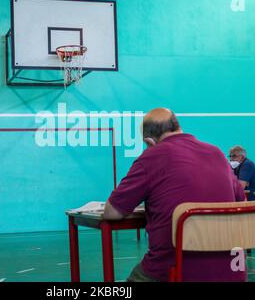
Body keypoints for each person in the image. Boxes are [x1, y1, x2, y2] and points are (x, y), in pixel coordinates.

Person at [103, 108, 245, 282]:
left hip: (176, 269)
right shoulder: (217, 153)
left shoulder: (151, 156)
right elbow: (241, 201)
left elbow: (112, 212)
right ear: (179, 128)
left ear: (149, 141)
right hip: (232, 270)